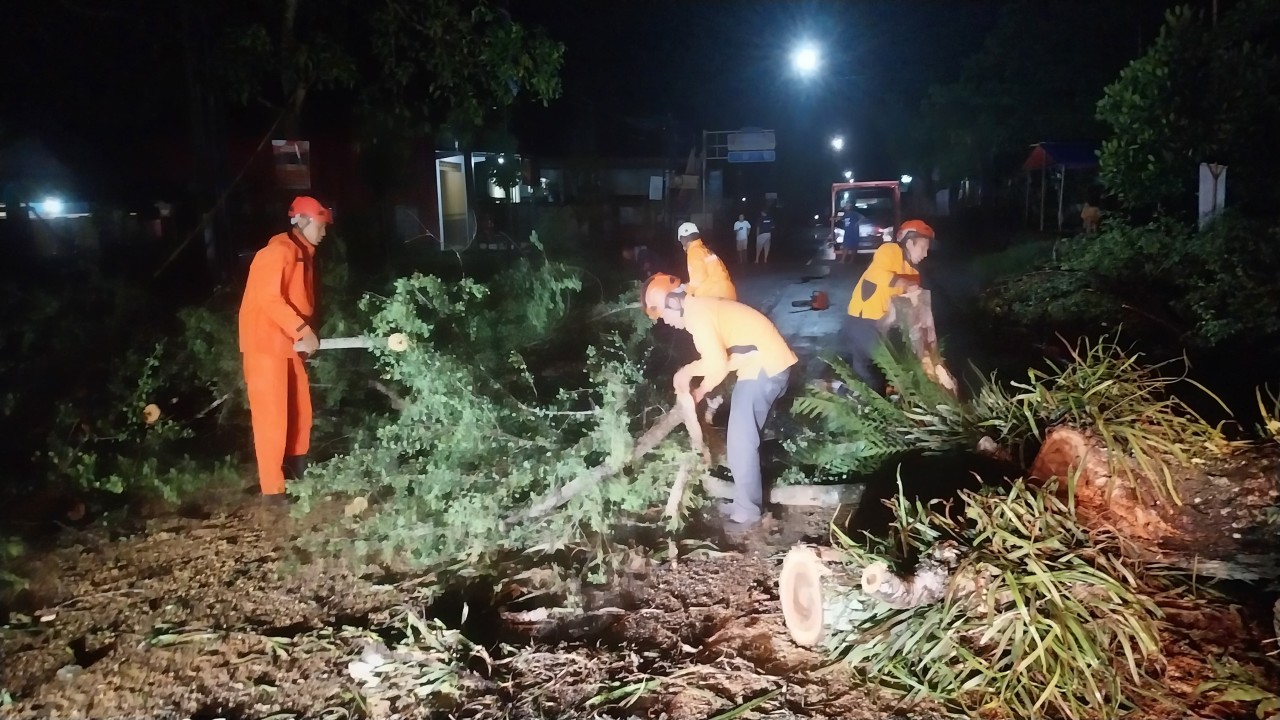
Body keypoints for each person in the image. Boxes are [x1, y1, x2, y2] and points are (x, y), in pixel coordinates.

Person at [641, 273, 797, 528]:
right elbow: (722, 361)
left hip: (765, 366)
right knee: (740, 439)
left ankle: (749, 512)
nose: (666, 322)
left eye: (663, 315)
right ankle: (744, 501)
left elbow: (715, 362)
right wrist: (701, 390)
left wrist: (686, 372)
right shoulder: (699, 308)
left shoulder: (697, 316)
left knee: (740, 442)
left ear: (671, 302)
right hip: (759, 364)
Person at [238, 196, 332, 505]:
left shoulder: (302, 253)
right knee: (272, 418)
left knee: (300, 412)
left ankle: (296, 477)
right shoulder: (277, 252)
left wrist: (301, 335)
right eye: (321, 225)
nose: (324, 232)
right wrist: (302, 331)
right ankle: (274, 492)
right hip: (266, 346)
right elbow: (269, 299)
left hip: (287, 345)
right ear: (303, 221)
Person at [840, 219, 934, 395]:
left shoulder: (914, 273)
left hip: (882, 326)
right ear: (909, 243)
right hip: (863, 320)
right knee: (876, 372)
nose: (926, 253)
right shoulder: (890, 251)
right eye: (923, 247)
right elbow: (877, 274)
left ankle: (852, 398)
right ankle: (861, 406)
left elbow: (909, 307)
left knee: (873, 373)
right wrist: (904, 283)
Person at [676, 221, 737, 301]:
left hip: (715, 298)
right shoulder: (706, 251)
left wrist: (684, 289)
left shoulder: (694, 252)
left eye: (681, 241)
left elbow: (697, 281)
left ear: (684, 239)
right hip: (729, 293)